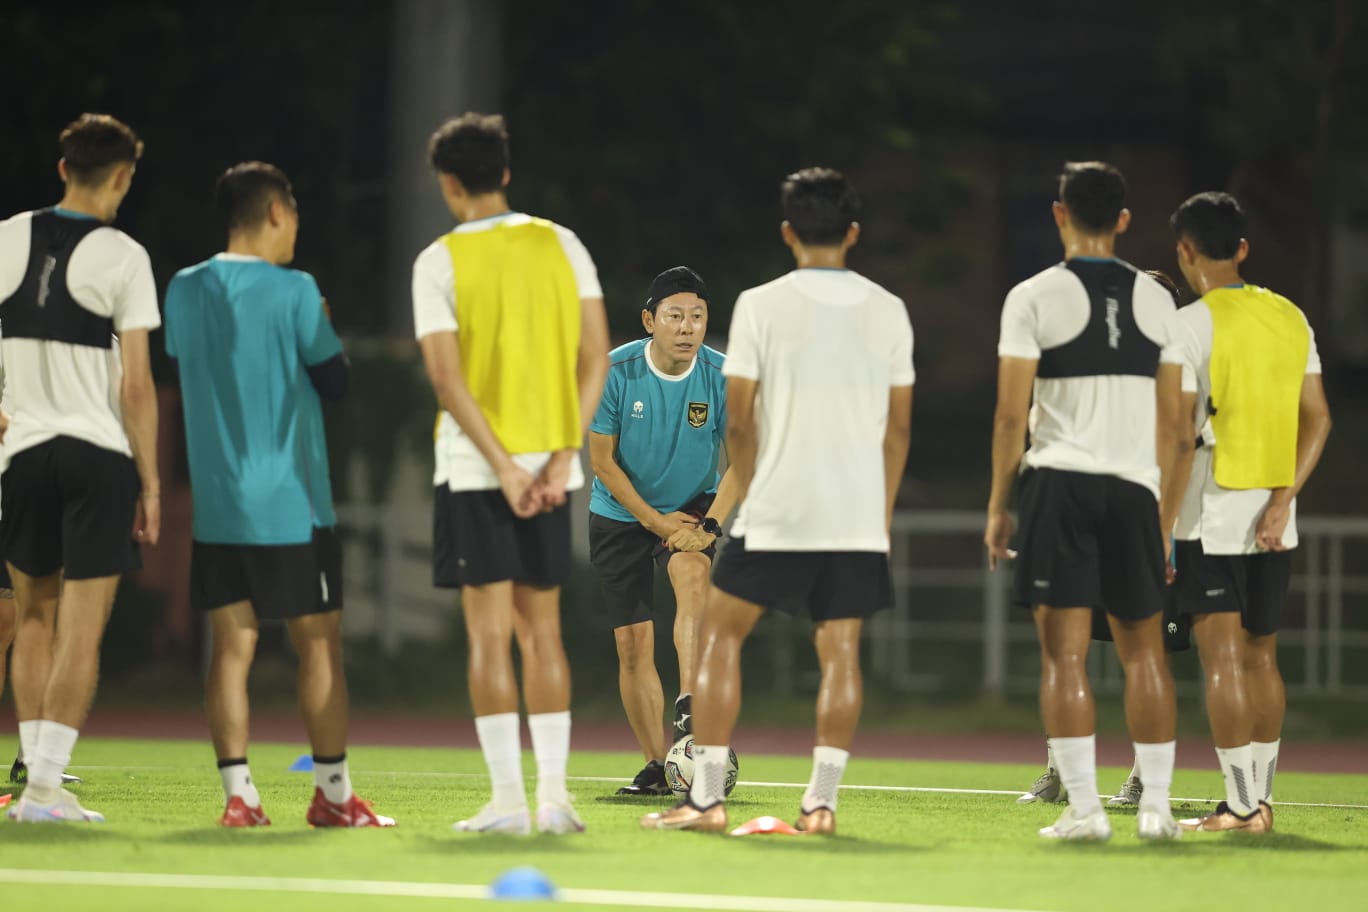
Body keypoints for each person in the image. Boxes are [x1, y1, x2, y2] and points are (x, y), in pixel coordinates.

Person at [641, 167, 914, 834]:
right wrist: (878, 514)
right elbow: (898, 429)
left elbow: (739, 423)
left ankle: (706, 800)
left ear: (788, 231)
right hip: (853, 511)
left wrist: (750, 492)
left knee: (719, 645)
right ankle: (820, 805)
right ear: (853, 232)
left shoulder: (760, 303)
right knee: (840, 654)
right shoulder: (889, 309)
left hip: (779, 505)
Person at [164, 161, 392, 828]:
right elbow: (334, 379)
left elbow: (193, 369)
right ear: (273, 214)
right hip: (293, 501)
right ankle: (334, 796)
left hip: (218, 503)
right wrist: (320, 320)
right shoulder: (296, 289)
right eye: (292, 218)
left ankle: (240, 797)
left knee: (230, 646)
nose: (294, 231)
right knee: (319, 645)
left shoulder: (182, 289)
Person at [413, 112, 610, 835]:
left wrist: (499, 465)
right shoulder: (562, 243)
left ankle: (506, 804)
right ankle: (555, 800)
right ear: (505, 172)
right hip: (553, 470)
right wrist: (561, 455)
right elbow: (597, 356)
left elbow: (445, 377)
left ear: (448, 182)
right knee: (544, 634)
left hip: (476, 471)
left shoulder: (438, 260)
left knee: (489, 636)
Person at [984, 162, 1191, 841]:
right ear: (1125, 221)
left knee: (1064, 658)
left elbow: (1012, 416)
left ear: (1059, 214)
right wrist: (1162, 523)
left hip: (1060, 481)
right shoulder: (1160, 301)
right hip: (1135, 487)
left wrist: (997, 504)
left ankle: (1085, 812)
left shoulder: (1033, 295)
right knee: (1145, 655)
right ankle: (1157, 811)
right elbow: (1176, 427)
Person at [0, 113, 160, 823]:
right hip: (96, 455)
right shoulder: (125, 255)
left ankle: (36, 784)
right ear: (122, 177)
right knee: (82, 629)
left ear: (63, 168)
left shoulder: (4, 236)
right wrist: (151, 481)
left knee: (32, 617)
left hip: (21, 454)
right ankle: (43, 791)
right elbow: (136, 384)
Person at [1165, 192, 1331, 833]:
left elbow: (1179, 437)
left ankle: (1238, 806)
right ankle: (1259, 800)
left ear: (1184, 251)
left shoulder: (1188, 325)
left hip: (1211, 514)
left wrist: (1160, 531)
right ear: (1242, 249)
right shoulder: (1290, 316)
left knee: (1222, 662)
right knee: (1262, 658)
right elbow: (1318, 419)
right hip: (1274, 516)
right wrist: (1285, 498)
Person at [1017, 269, 1190, 809]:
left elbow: (1184, 442)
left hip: (1149, 522)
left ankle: (1145, 782)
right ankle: (1061, 773)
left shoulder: (1179, 361)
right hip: (1085, 515)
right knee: (1064, 651)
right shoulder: (1105, 359)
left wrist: (1171, 530)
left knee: (1146, 655)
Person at [587, 266, 739, 796]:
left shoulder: (722, 375)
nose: (687, 326)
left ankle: (692, 709)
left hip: (694, 504)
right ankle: (658, 763)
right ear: (650, 320)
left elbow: (743, 460)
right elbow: (602, 461)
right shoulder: (614, 371)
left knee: (693, 577)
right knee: (632, 645)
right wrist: (654, 522)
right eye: (674, 316)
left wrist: (710, 526)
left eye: (697, 316)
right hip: (621, 511)